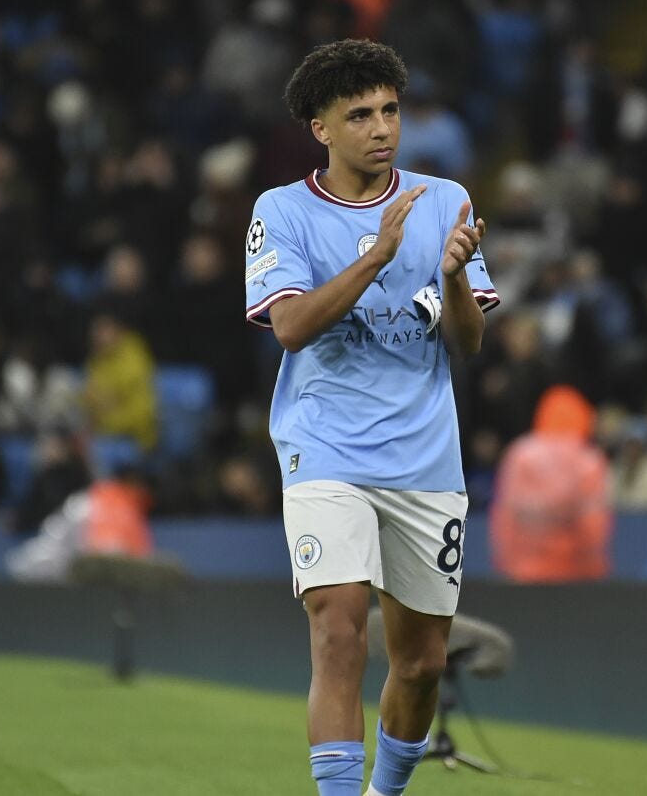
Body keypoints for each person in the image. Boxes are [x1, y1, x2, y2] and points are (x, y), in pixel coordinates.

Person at [244, 39, 498, 796]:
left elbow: (468, 342)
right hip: (325, 447)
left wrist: (451, 279)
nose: (382, 128)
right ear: (321, 127)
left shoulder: (445, 200)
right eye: (360, 115)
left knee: (420, 664)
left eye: (390, 110)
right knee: (339, 629)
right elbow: (289, 327)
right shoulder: (282, 210)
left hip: (424, 457)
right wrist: (376, 257)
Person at [489, 385, 614, 582]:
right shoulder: (588, 460)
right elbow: (594, 524)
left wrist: (505, 564)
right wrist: (594, 568)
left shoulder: (520, 454)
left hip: (524, 572)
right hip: (575, 575)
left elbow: (505, 514)